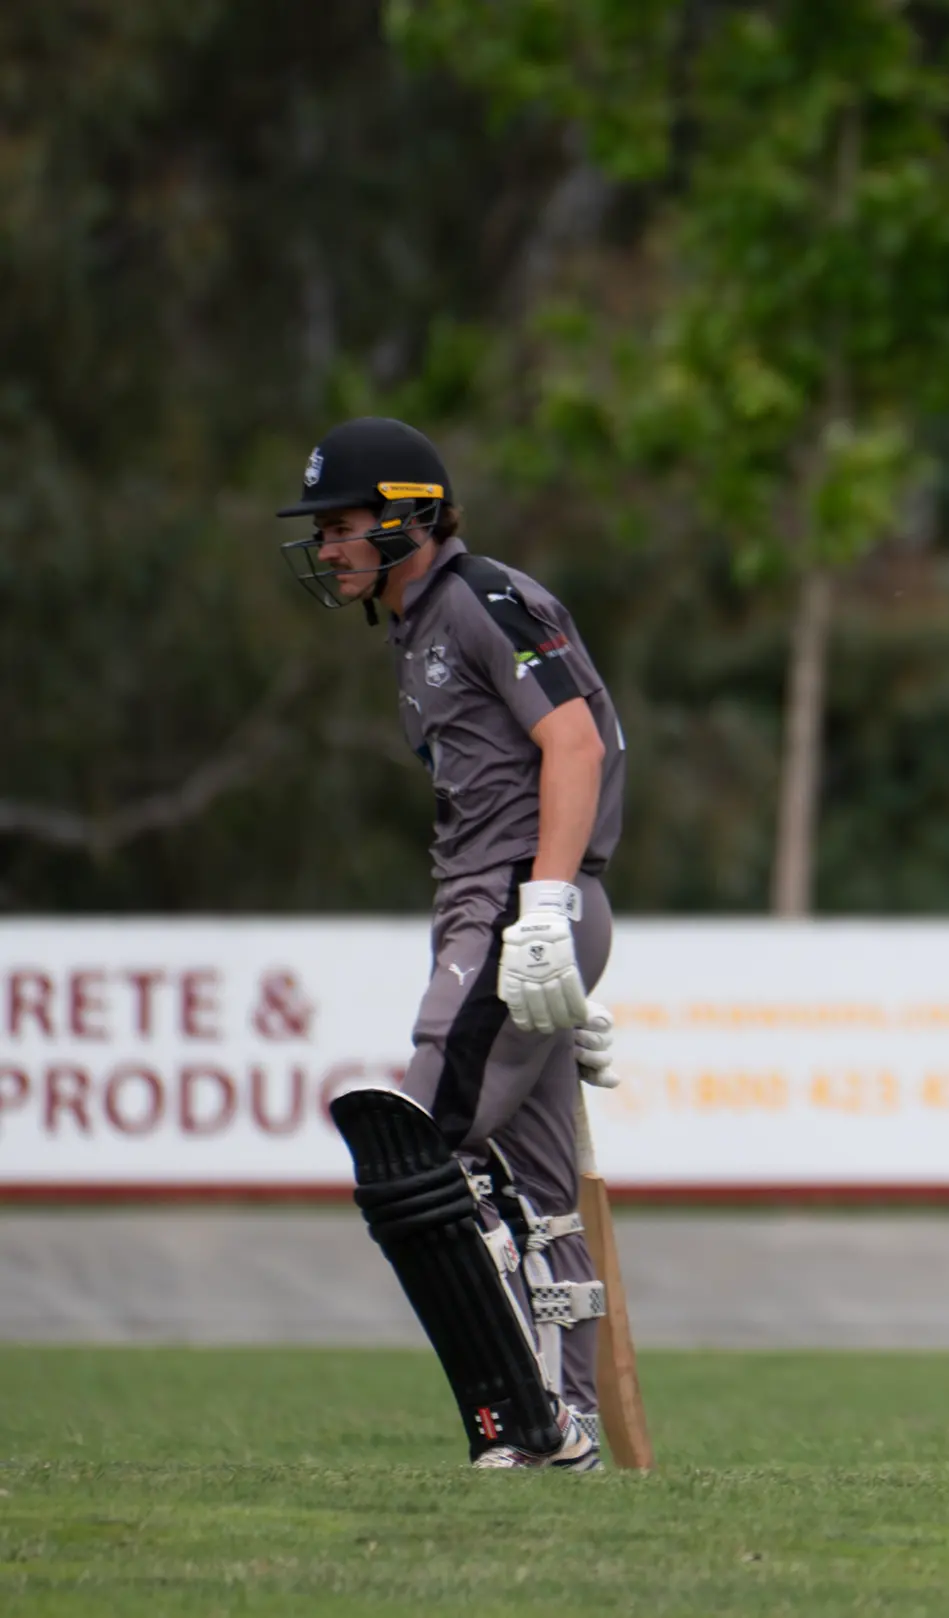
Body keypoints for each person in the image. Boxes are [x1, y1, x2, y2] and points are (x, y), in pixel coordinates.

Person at [277, 416, 627, 1469]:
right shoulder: (420, 625)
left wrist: (547, 914)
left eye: (344, 526)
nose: (329, 547)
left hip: (516, 902)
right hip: (514, 906)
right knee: (542, 1184)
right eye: (323, 531)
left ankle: (523, 1420)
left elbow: (574, 740)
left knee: (418, 1154)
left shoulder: (480, 598)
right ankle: (562, 1423)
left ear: (410, 517)